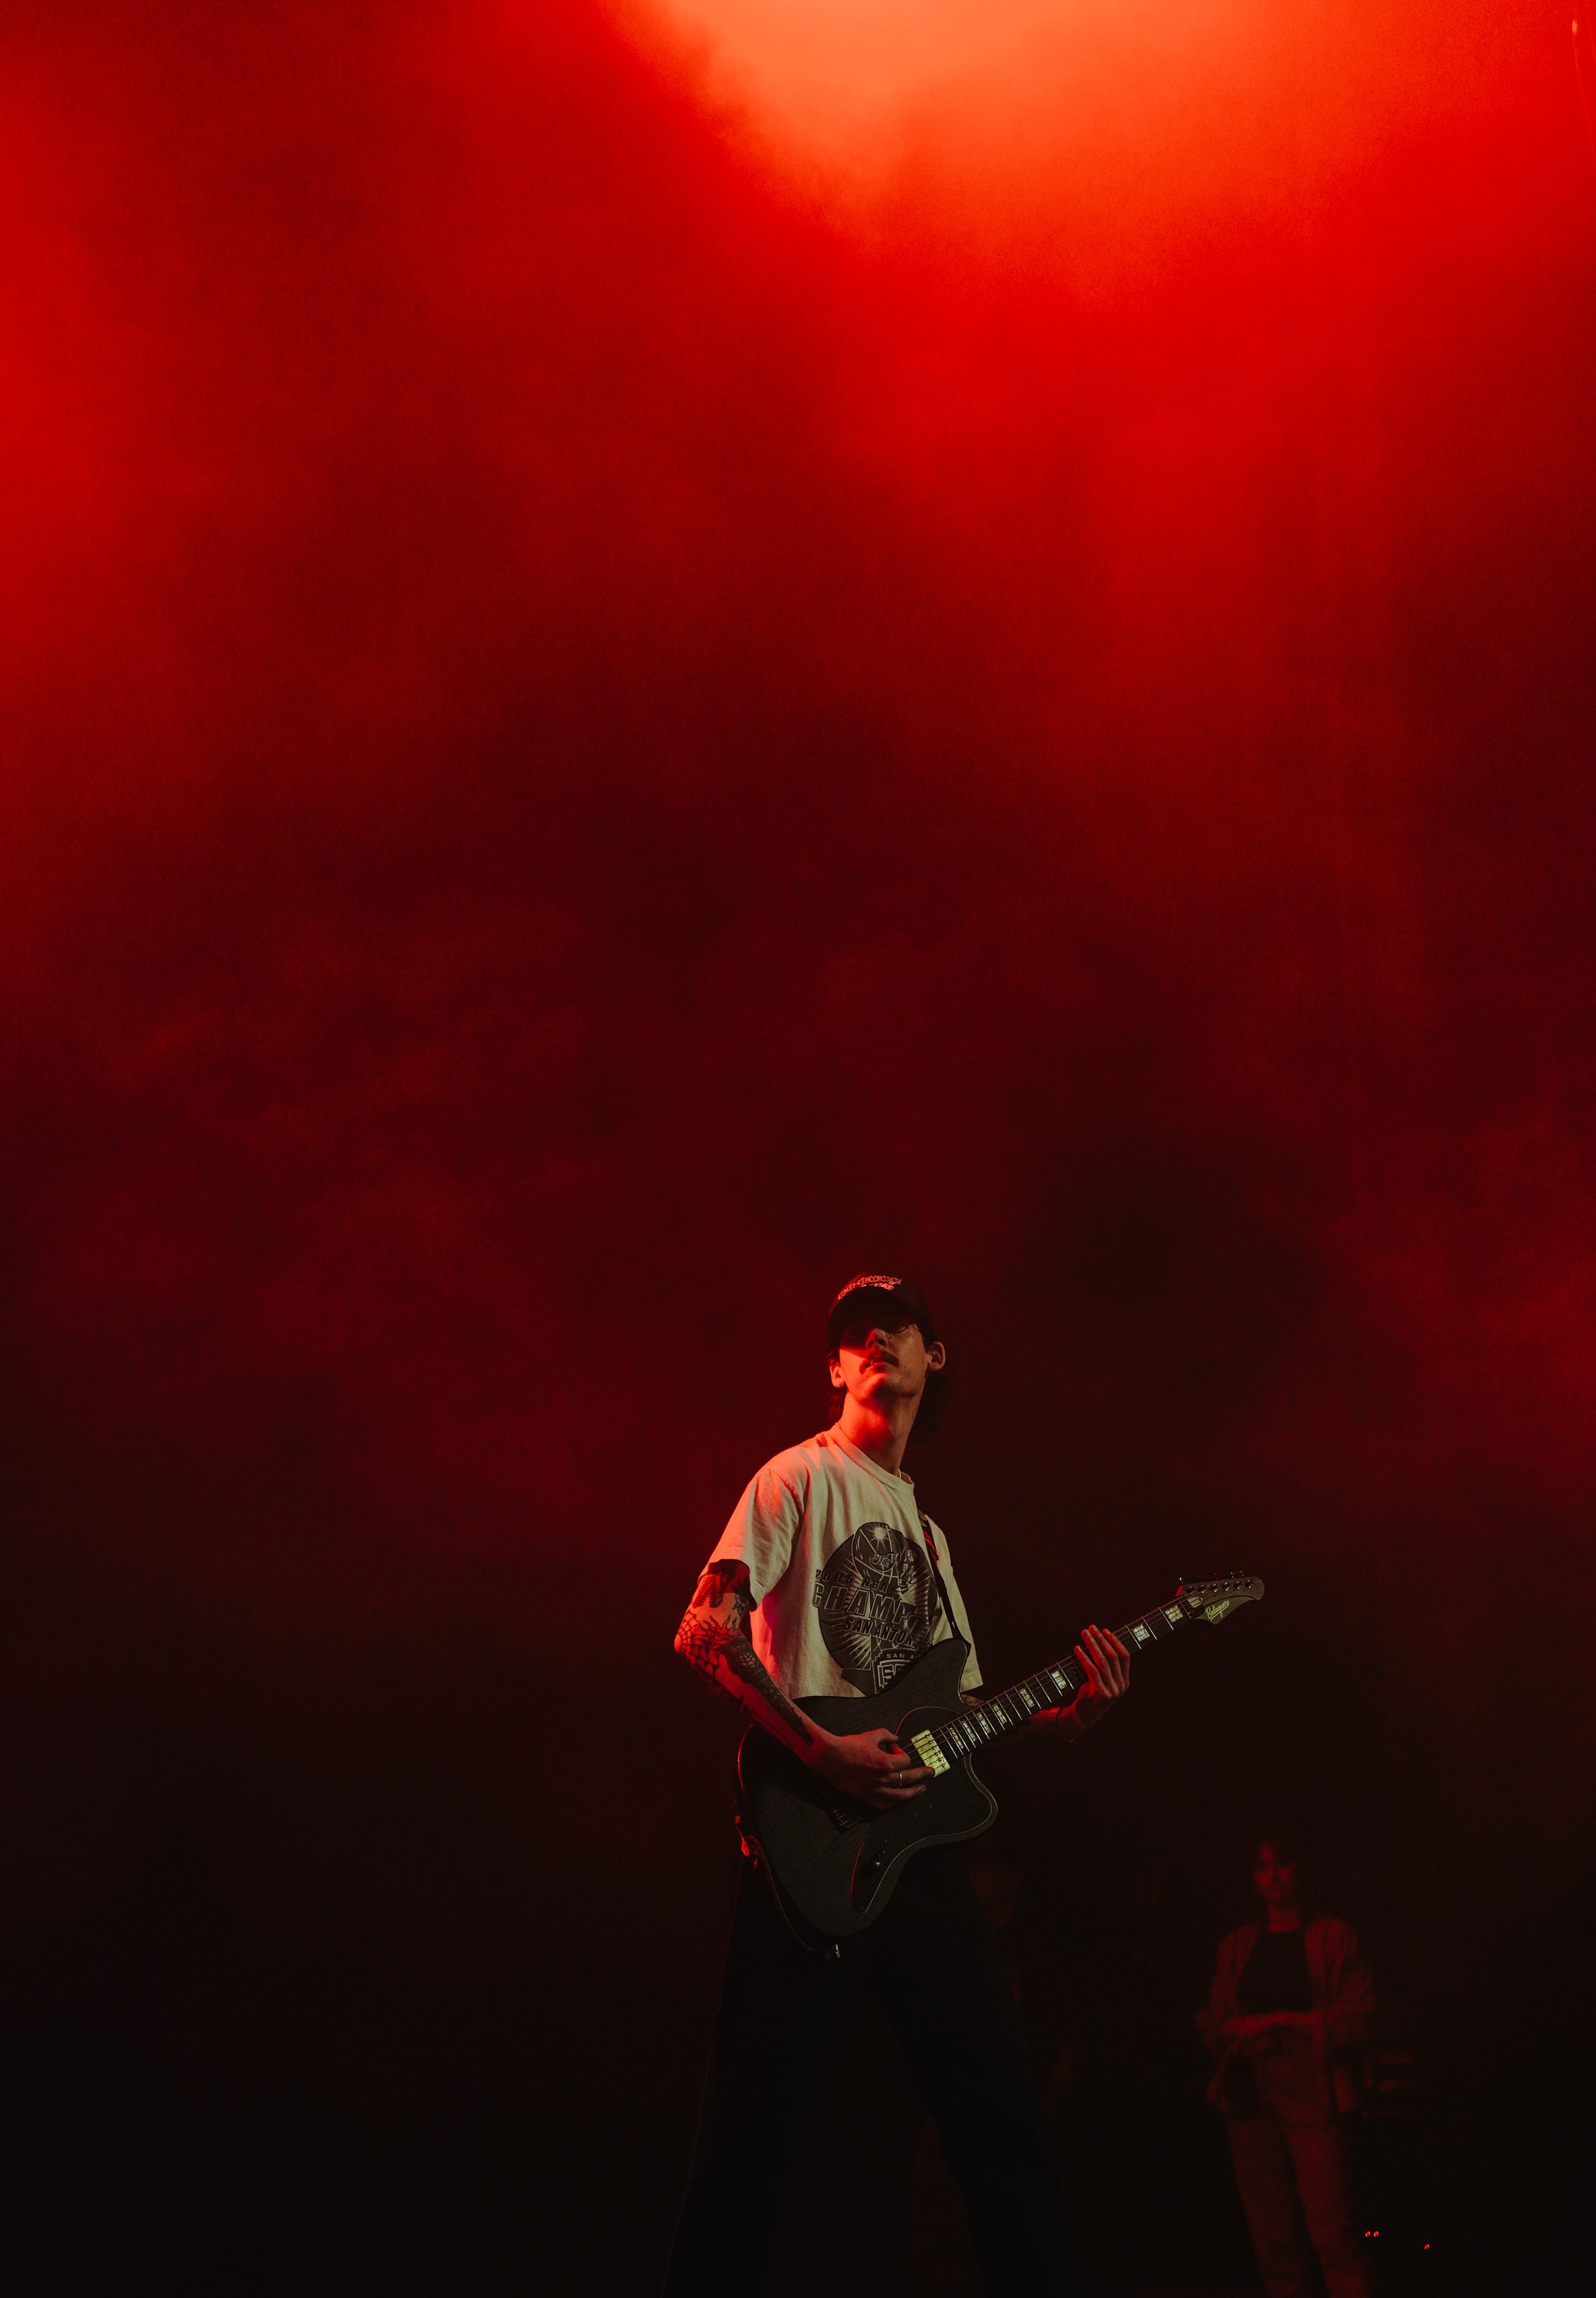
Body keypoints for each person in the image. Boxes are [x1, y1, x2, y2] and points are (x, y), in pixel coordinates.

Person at [663, 1272, 1131, 2298]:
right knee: (754, 2140)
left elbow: (957, 1714)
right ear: (834, 1369)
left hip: (918, 1863)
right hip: (808, 1846)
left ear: (935, 1356)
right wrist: (818, 1751)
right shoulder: (795, 1476)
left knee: (1004, 2128)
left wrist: (1066, 1719)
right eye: (855, 1334)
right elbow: (704, 1631)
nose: (876, 1339)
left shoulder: (929, 1534)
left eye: (898, 1326)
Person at [1199, 1831, 1375, 2298]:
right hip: (1250, 2094)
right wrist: (1236, 2033)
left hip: (1313, 2092)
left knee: (1333, 2231)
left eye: (1281, 1863)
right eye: (1262, 1867)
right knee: (1273, 2239)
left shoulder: (1332, 1936)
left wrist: (1287, 2023)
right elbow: (1214, 2018)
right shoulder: (1237, 1945)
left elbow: (1361, 2016)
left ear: (1302, 1868)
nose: (1273, 1876)